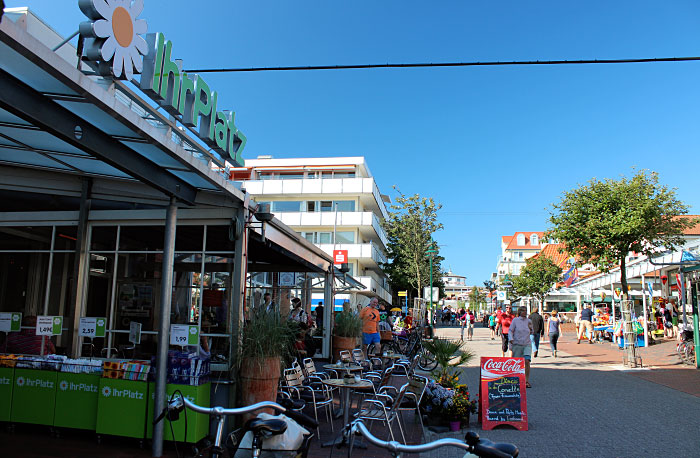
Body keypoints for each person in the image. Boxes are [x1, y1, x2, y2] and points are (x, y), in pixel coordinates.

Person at [508, 306, 533, 388]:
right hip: (517, 343)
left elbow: (532, 331)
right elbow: (510, 330)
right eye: (523, 311)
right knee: (517, 362)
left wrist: (531, 328)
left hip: (527, 344)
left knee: (527, 361)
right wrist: (511, 339)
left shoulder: (529, 321)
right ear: (519, 312)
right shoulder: (515, 320)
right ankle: (516, 379)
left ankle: (526, 380)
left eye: (526, 311)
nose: (525, 312)